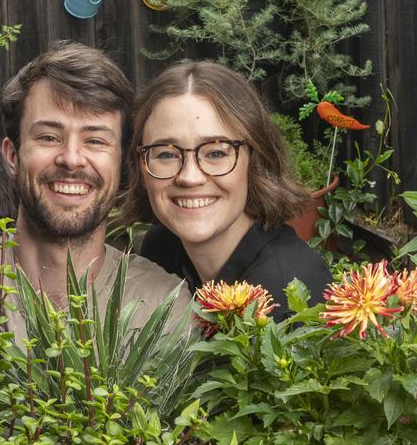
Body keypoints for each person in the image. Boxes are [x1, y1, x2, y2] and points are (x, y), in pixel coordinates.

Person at [0, 41, 191, 340]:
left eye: (95, 140)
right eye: (49, 136)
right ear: (12, 156)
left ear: (122, 163)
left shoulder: (167, 310)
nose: (71, 158)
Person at [122, 61, 332, 320]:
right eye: (166, 153)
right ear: (140, 166)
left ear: (255, 161)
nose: (189, 177)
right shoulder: (162, 250)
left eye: (216, 152)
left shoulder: (289, 297)